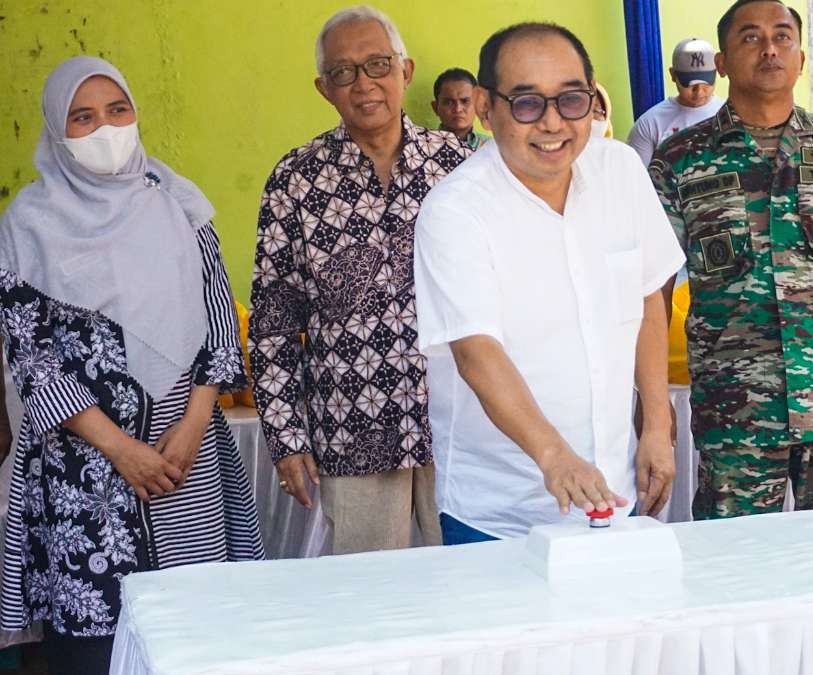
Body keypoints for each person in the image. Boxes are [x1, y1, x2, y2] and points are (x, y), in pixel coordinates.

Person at [0, 56, 263, 675]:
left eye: (117, 111)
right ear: (56, 131)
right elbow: (33, 359)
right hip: (85, 474)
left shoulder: (179, 204)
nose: (105, 130)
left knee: (196, 631)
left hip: (185, 462)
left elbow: (220, 322)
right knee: (96, 646)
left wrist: (195, 425)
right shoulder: (26, 225)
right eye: (83, 117)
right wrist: (120, 449)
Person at [414, 22, 685, 543]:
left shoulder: (621, 171)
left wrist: (655, 424)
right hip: (500, 513)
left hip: (615, 495)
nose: (553, 123)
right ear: (486, 110)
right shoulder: (454, 211)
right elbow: (476, 351)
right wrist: (554, 456)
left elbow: (648, 296)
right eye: (527, 103)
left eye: (570, 99)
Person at [650, 0, 813, 520]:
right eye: (750, 37)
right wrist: (655, 404)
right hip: (734, 407)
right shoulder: (679, 161)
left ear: (801, 57)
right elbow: (651, 288)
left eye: (782, 37)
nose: (769, 48)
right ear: (721, 61)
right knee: (740, 571)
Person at [250, 6, 469, 554]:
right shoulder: (295, 180)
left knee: (483, 591)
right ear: (324, 89)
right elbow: (274, 324)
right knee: (378, 606)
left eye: (377, 65)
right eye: (344, 72)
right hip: (354, 429)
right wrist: (286, 438)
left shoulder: (461, 168)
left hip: (464, 423)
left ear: (406, 71)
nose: (364, 84)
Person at [627, 37, 725, 165]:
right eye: (689, 84)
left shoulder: (732, 116)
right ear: (673, 75)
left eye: (706, 83)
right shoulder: (650, 124)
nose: (699, 91)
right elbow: (637, 180)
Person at [431, 67, 489, 150]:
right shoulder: (423, 147)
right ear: (435, 108)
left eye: (465, 101)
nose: (458, 109)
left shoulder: (493, 150)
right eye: (449, 102)